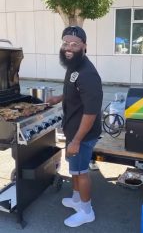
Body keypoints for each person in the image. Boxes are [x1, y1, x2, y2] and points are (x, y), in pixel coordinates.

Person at [48, 26, 103, 227]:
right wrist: (59, 97)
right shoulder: (73, 66)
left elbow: (90, 112)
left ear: (84, 46)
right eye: (65, 43)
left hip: (83, 133)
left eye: (74, 44)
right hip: (73, 129)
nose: (68, 48)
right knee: (74, 169)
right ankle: (77, 199)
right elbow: (75, 92)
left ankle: (87, 211)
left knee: (80, 171)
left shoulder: (88, 74)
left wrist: (77, 141)